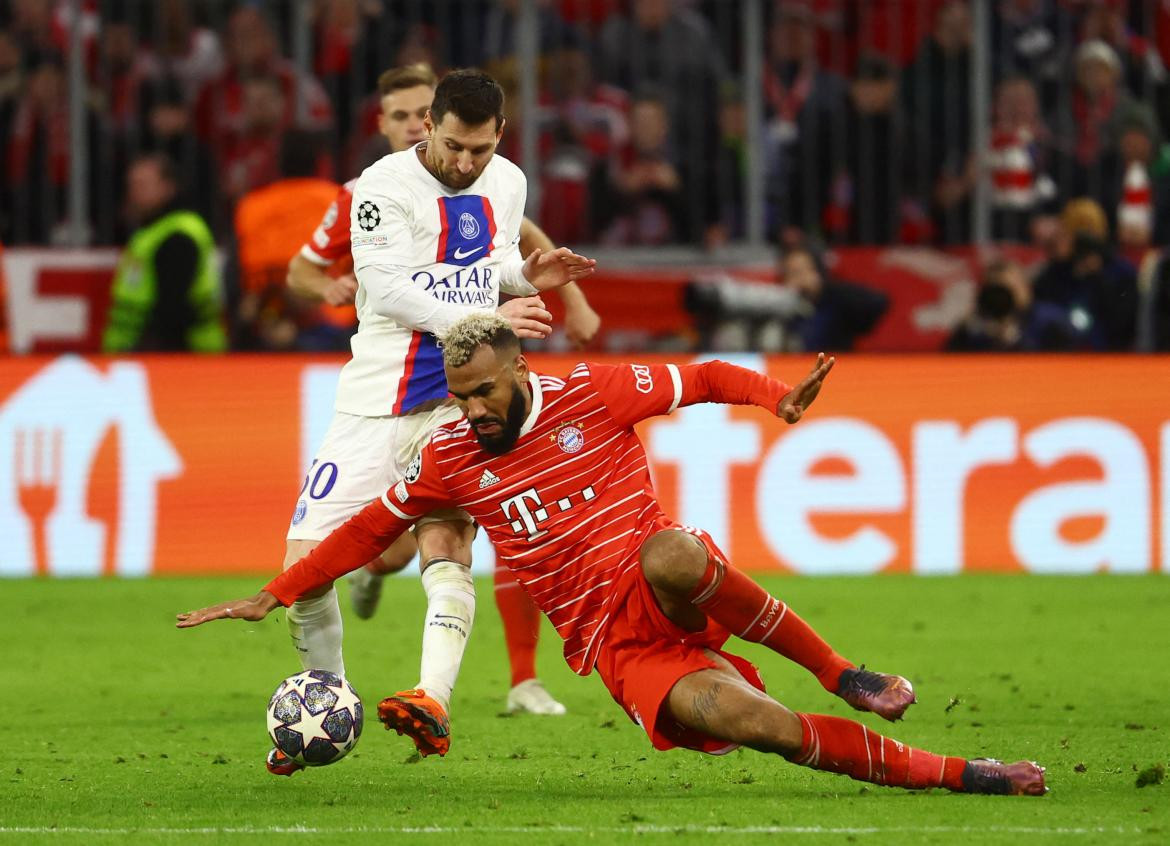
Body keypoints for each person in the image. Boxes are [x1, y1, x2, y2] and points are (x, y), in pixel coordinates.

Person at [178, 312, 1047, 798]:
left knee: (671, 551)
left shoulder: (594, 391)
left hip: (654, 577)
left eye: (483, 390)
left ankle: (840, 671)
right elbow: (369, 531)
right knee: (761, 729)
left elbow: (702, 377)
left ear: (519, 368)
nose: (472, 408)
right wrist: (278, 590)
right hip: (615, 645)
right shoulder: (448, 457)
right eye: (460, 395)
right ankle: (967, 777)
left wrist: (776, 398)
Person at [256, 69, 596, 776]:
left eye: (478, 149)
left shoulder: (508, 181)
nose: (465, 163)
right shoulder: (380, 188)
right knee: (304, 573)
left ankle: (431, 700)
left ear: (498, 135)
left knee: (446, 538)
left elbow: (488, 262)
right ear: (428, 128)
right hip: (376, 400)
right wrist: (487, 317)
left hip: (457, 400)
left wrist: (529, 276)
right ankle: (329, 698)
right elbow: (385, 288)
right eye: (451, 146)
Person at [102, 152, 226, 353]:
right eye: (131, 185)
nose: (133, 192)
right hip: (147, 361)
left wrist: (146, 354)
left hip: (178, 359)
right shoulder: (153, 230)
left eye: (142, 185)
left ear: (168, 188)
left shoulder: (177, 235)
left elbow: (173, 311)